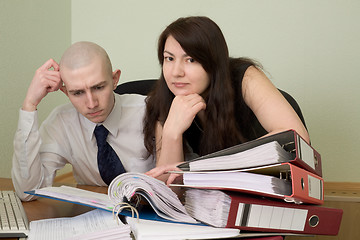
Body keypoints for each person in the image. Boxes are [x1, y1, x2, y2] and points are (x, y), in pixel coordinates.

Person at [144, 16, 310, 184]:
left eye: (191, 60)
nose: (176, 72)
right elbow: (168, 194)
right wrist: (172, 133)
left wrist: (203, 167)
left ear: (213, 63)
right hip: (222, 199)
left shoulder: (244, 77)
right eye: (169, 59)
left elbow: (295, 137)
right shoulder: (164, 100)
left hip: (278, 187)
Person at [12, 41, 155, 201]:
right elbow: (28, 192)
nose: (91, 104)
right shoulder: (62, 121)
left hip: (149, 215)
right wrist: (29, 104)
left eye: (99, 87)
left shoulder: (149, 111)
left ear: (115, 79)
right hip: (94, 217)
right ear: (66, 92)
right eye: (78, 93)